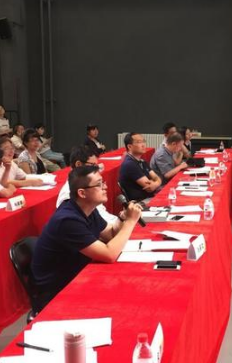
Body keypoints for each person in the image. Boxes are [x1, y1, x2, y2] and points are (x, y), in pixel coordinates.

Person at [31, 165, 143, 311]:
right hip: (58, 293)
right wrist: (130, 222)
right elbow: (109, 254)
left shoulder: (88, 209)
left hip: (78, 277)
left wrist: (123, 219)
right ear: (82, 193)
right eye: (99, 184)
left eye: (103, 182)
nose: (105, 187)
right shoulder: (67, 220)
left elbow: (110, 234)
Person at [56, 146, 117, 224]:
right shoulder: (68, 195)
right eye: (93, 166)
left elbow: (101, 216)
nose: (96, 169)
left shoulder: (88, 184)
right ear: (78, 164)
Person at [118, 132, 162, 202]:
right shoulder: (130, 164)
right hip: (141, 201)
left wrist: (156, 183)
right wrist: (156, 182)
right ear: (129, 147)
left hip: (148, 197)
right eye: (139, 142)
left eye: (143, 141)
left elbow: (157, 178)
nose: (143, 145)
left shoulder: (142, 161)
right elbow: (149, 188)